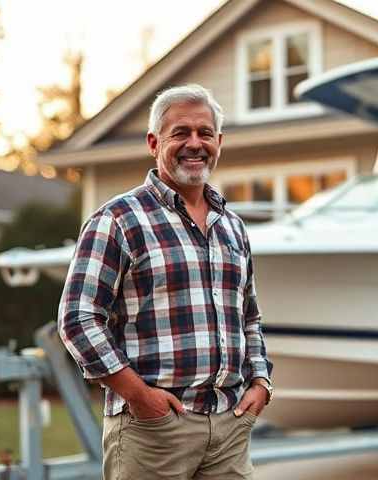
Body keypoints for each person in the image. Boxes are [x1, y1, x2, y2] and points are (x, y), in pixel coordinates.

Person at [57, 84, 273, 480]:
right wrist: (140, 397)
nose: (195, 143)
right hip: (152, 430)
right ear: (154, 142)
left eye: (205, 133)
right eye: (181, 133)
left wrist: (260, 382)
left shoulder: (232, 226)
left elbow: (250, 317)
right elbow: (78, 319)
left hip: (229, 427)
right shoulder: (119, 219)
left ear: (219, 142)